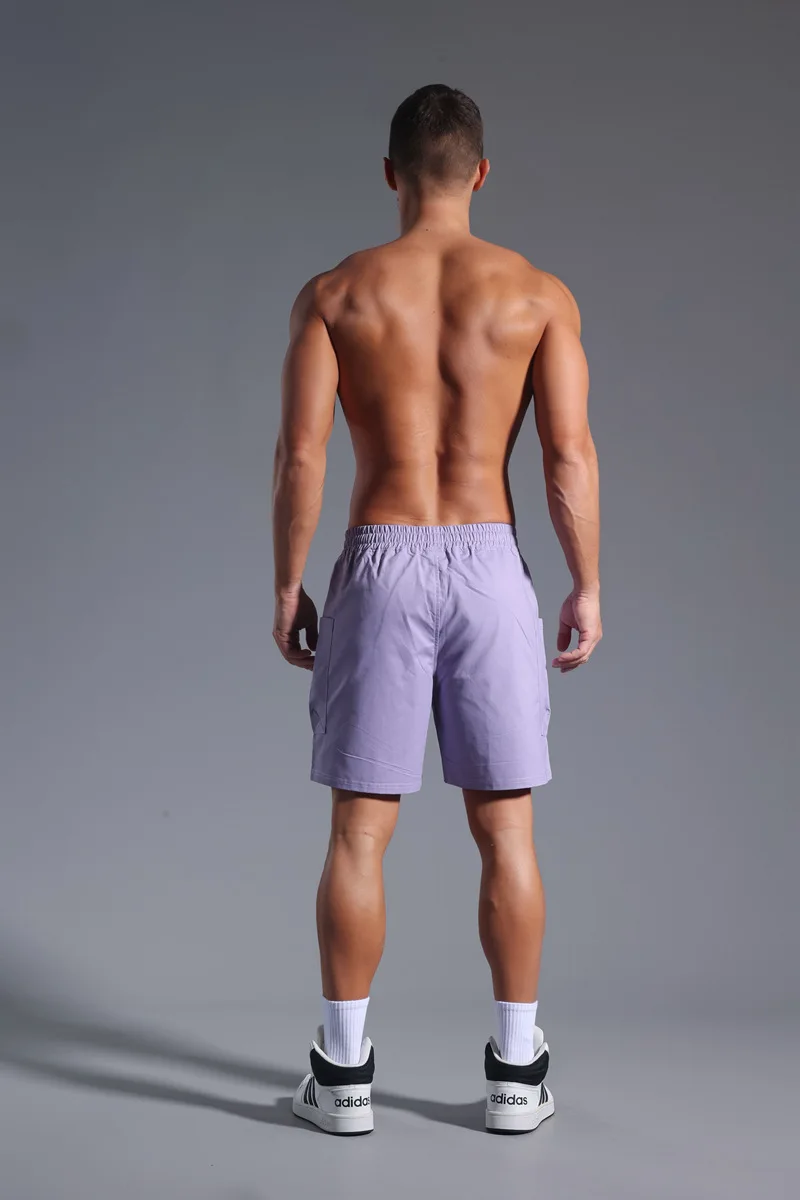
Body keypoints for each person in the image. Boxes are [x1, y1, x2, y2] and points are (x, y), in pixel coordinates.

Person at [271, 83, 601, 1136]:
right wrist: (585, 582)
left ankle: (343, 1078)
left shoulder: (336, 293)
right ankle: (516, 1077)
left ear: (389, 174)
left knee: (358, 834)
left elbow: (302, 456)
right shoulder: (537, 295)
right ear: (481, 173)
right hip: (488, 561)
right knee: (505, 829)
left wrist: (287, 582)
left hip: (380, 559)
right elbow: (566, 457)